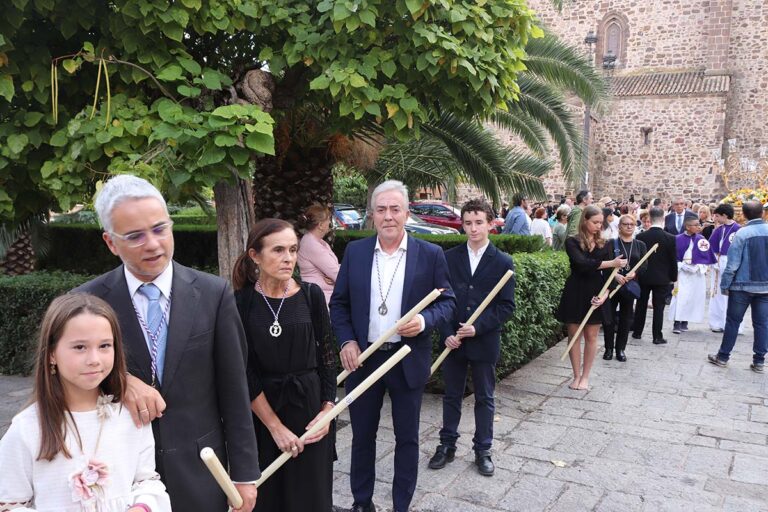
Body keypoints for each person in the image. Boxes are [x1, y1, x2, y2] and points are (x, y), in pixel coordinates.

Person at [74, 175, 259, 511]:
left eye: (160, 229)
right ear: (111, 242)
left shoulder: (213, 294)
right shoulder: (85, 302)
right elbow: (60, 378)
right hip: (118, 476)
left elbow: (235, 388)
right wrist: (121, 380)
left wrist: (245, 475)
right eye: (135, 236)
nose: (153, 244)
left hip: (201, 470)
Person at [329, 180, 455, 512]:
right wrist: (346, 340)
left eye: (395, 209)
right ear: (372, 214)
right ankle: (361, 503)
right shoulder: (355, 252)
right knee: (362, 436)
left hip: (406, 358)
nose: (388, 216)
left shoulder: (430, 254)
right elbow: (339, 303)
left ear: (407, 212)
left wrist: (424, 321)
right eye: (381, 209)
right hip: (364, 359)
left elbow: (448, 302)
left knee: (407, 438)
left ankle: (401, 505)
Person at [0, 293, 172, 512]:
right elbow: (9, 504)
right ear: (51, 353)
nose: (94, 360)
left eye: (104, 346)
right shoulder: (28, 428)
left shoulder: (129, 416)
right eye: (80, 347)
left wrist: (141, 507)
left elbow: (147, 481)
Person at [232, 219, 336, 511]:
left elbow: (327, 358)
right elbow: (243, 370)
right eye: (278, 250)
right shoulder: (241, 302)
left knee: (312, 498)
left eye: (292, 249)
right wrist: (275, 427)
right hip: (263, 414)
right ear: (255, 255)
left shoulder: (311, 295)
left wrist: (328, 410)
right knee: (269, 498)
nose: (288, 258)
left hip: (309, 412)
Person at [427, 199, 515, 477]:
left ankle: (483, 449)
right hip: (453, 341)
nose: (473, 228)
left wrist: (478, 328)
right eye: (468, 223)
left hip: (484, 341)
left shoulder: (503, 262)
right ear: (462, 225)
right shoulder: (449, 257)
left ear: (491, 224)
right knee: (451, 395)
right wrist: (446, 333)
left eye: (479, 222)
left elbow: (506, 306)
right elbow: (439, 299)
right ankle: (447, 445)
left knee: (484, 397)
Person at [556, 205, 626, 390]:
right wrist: (611, 262)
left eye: (600, 223)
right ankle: (576, 376)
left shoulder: (606, 244)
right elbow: (582, 264)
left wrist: (605, 296)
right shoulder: (572, 241)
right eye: (595, 222)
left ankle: (585, 377)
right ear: (585, 220)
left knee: (591, 336)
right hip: (575, 290)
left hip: (597, 291)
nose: (598, 226)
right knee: (574, 335)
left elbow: (611, 275)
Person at [708, 201, 768, 372]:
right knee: (762, 324)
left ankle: (723, 357)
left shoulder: (742, 233)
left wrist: (725, 285)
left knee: (733, 322)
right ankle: (759, 361)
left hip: (742, 286)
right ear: (762, 213)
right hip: (764, 287)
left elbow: (732, 264)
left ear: (744, 215)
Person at [603, 215, 647, 362]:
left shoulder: (640, 245)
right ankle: (608, 348)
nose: (629, 227)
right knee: (609, 318)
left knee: (626, 318)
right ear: (619, 226)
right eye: (626, 224)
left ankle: (620, 349)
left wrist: (635, 273)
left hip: (629, 286)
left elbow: (644, 264)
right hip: (612, 286)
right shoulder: (611, 243)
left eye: (632, 224)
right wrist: (615, 276)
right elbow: (605, 263)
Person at [631, 208, 678, 344]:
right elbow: (672, 260)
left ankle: (637, 332)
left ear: (650, 219)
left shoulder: (641, 237)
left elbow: (637, 258)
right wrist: (673, 277)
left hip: (644, 276)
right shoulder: (670, 238)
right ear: (663, 219)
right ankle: (657, 336)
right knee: (659, 307)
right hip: (662, 277)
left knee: (641, 304)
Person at [669, 217, 716, 333]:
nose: (699, 227)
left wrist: (699, 266)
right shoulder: (677, 239)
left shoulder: (702, 240)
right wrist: (682, 266)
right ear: (688, 227)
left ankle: (685, 321)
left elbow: (707, 257)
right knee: (681, 297)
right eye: (696, 225)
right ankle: (677, 322)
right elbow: (672, 257)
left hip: (697, 273)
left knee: (693, 298)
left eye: (699, 224)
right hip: (682, 273)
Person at [708, 204, 742, 333]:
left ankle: (734, 325)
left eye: (717, 216)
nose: (715, 218)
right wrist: (713, 261)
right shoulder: (719, 230)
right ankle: (717, 323)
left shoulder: (738, 229)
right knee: (717, 293)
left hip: (733, 262)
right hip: (719, 262)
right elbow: (711, 247)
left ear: (725, 215)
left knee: (733, 294)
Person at [297, 204, 340, 305]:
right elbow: (338, 275)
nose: (329, 222)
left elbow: (335, 270)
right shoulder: (312, 244)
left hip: (326, 297)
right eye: (328, 219)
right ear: (320, 225)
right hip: (323, 301)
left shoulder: (318, 242)